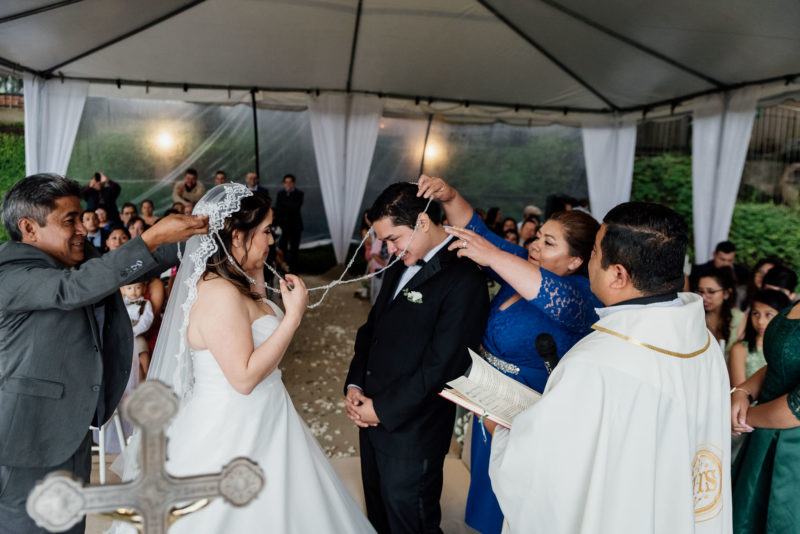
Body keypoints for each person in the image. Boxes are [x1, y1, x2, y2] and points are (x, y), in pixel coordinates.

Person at [112, 183, 375, 534]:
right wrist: (294, 316)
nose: (271, 240)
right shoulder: (219, 293)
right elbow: (244, 377)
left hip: (269, 416)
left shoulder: (239, 283)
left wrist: (257, 275)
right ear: (237, 236)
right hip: (233, 425)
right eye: (266, 231)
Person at [485, 201, 732, 534]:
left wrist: (502, 431)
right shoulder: (703, 343)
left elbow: (544, 473)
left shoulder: (597, 361)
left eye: (595, 253)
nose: (588, 262)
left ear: (618, 275)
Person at [0, 173, 207, 534]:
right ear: (29, 228)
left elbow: (126, 266)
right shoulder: (11, 273)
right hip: (24, 443)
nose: (83, 228)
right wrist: (152, 234)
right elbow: (74, 289)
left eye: (83, 217)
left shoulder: (71, 260)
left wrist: (199, 234)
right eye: (71, 221)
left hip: (70, 433)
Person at [418, 175, 601, 534]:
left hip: (531, 408)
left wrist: (495, 256)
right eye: (537, 236)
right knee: (489, 492)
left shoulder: (582, 297)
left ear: (576, 261)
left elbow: (531, 283)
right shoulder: (521, 262)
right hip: (489, 395)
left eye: (549, 242)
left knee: (521, 499)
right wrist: (450, 195)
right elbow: (477, 233)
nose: (534, 244)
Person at [345, 182, 490, 534]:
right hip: (372, 417)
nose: (390, 250)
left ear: (423, 222)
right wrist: (355, 383)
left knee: (411, 522)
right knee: (378, 514)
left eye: (393, 238)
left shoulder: (465, 277)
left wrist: (383, 410)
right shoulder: (401, 260)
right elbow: (372, 331)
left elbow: (445, 365)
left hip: (415, 431)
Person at [730, 299, 800, 534]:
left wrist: (744, 417)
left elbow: (796, 407)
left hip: (792, 450)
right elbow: (782, 362)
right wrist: (744, 391)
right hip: (763, 432)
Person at [728, 289, 790, 387]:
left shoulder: (790, 351)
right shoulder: (740, 349)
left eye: (768, 315)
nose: (760, 321)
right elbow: (739, 392)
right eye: (756, 314)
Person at [696, 267, 745, 355]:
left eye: (711, 292)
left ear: (726, 294)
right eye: (700, 291)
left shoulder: (740, 319)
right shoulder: (694, 317)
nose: (703, 297)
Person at [121, 281, 154, 386]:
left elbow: (146, 321)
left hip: (137, 334)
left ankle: (148, 375)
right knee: (134, 364)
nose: (133, 291)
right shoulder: (121, 303)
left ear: (144, 289)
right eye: (129, 288)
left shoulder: (145, 303)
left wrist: (135, 331)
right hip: (124, 336)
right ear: (123, 290)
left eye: (137, 288)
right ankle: (137, 384)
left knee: (143, 354)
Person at [275, 173, 304, 272]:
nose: (288, 184)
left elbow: (295, 208)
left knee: (294, 249)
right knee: (282, 248)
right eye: (286, 182)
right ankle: (284, 269)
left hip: (295, 226)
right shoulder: (280, 194)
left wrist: (285, 207)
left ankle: (294, 270)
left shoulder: (299, 194)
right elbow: (278, 208)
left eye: (290, 182)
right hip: (283, 226)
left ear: (294, 183)